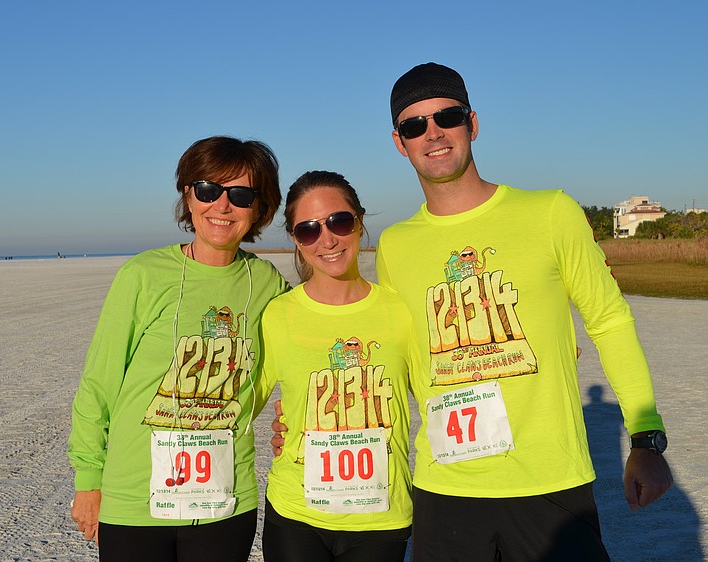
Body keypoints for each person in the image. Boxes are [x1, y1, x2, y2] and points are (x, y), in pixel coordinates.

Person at [376, 62, 673, 561]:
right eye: (414, 125)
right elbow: (393, 358)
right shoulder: (394, 245)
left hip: (550, 484)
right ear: (398, 141)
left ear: (472, 123)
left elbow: (609, 320)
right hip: (445, 490)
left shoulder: (551, 212)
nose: (433, 133)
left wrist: (646, 437)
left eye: (446, 116)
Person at [67, 136, 290, 561]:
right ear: (188, 196)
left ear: (261, 208)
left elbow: (299, 357)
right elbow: (99, 383)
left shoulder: (268, 286)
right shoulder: (144, 275)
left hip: (225, 501)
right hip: (135, 499)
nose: (222, 207)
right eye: (208, 190)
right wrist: (88, 480)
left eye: (241, 195)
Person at [258, 171, 420, 562]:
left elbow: (448, 384)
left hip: (380, 518)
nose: (327, 239)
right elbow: (236, 403)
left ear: (360, 222)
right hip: (295, 512)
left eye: (339, 221)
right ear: (295, 239)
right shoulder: (277, 315)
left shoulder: (402, 310)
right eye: (309, 230)